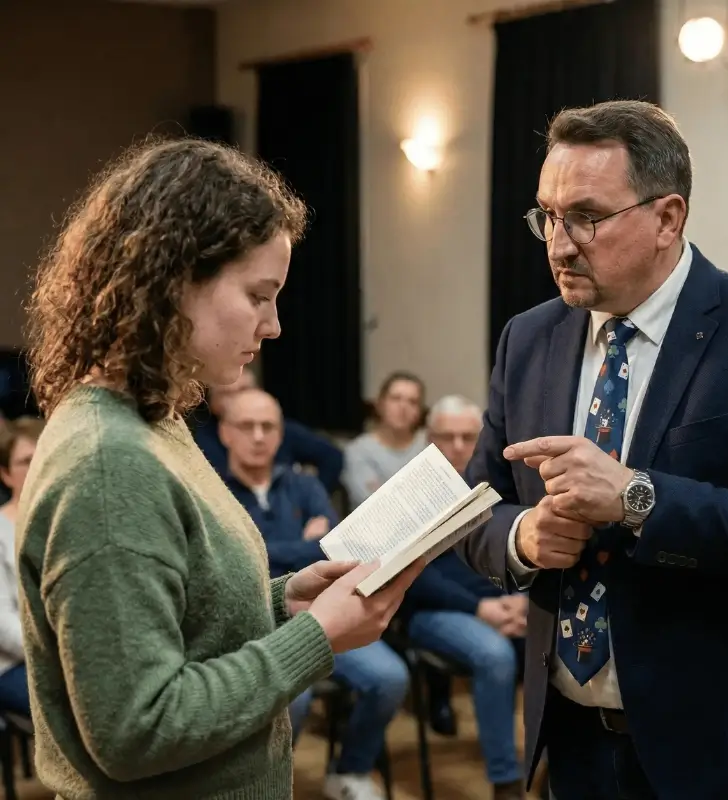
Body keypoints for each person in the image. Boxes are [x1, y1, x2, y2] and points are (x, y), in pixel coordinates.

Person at [17, 138, 421, 800]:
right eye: (259, 295)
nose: (274, 326)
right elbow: (136, 729)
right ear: (174, 279)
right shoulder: (109, 461)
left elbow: (174, 620)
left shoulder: (154, 421)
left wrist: (284, 601)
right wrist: (316, 638)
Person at [459, 99, 728, 800]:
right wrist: (524, 537)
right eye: (547, 217)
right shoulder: (528, 338)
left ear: (667, 218)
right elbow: (475, 508)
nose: (558, 243)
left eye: (585, 216)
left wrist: (637, 499)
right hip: (570, 742)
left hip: (718, 747)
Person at [219, 387, 408, 800]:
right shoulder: (215, 492)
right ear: (225, 433)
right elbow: (232, 566)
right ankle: (269, 784)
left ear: (281, 434)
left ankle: (351, 771)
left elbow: (336, 550)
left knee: (391, 677)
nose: (257, 436)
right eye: (246, 426)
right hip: (260, 622)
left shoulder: (304, 486)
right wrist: (300, 546)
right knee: (294, 699)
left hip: (324, 609)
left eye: (267, 426)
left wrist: (267, 548)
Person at [401, 395, 527, 800]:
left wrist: (521, 599)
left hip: (501, 605)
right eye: (446, 437)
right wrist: (481, 609)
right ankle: (506, 781)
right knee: (494, 655)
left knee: (561, 636)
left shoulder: (497, 486)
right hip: (433, 612)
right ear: (428, 439)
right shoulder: (409, 497)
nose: (457, 446)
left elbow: (520, 552)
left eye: (467, 437)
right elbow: (413, 580)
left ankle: (554, 767)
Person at [191, 365, 344, 491]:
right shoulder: (199, 440)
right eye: (227, 393)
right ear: (212, 403)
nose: (237, 399)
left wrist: (311, 500)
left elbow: (332, 457)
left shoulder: (281, 428)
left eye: (243, 390)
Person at [0, 416, 44, 716]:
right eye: (25, 461)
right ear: (5, 474)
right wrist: (49, 650)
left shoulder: (70, 518)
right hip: (16, 662)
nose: (36, 467)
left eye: (42, 457)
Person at [342, 371, 427, 506]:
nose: (403, 407)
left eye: (412, 402)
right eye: (395, 398)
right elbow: (373, 503)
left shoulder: (429, 444)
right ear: (380, 404)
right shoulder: (358, 450)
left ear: (420, 411)